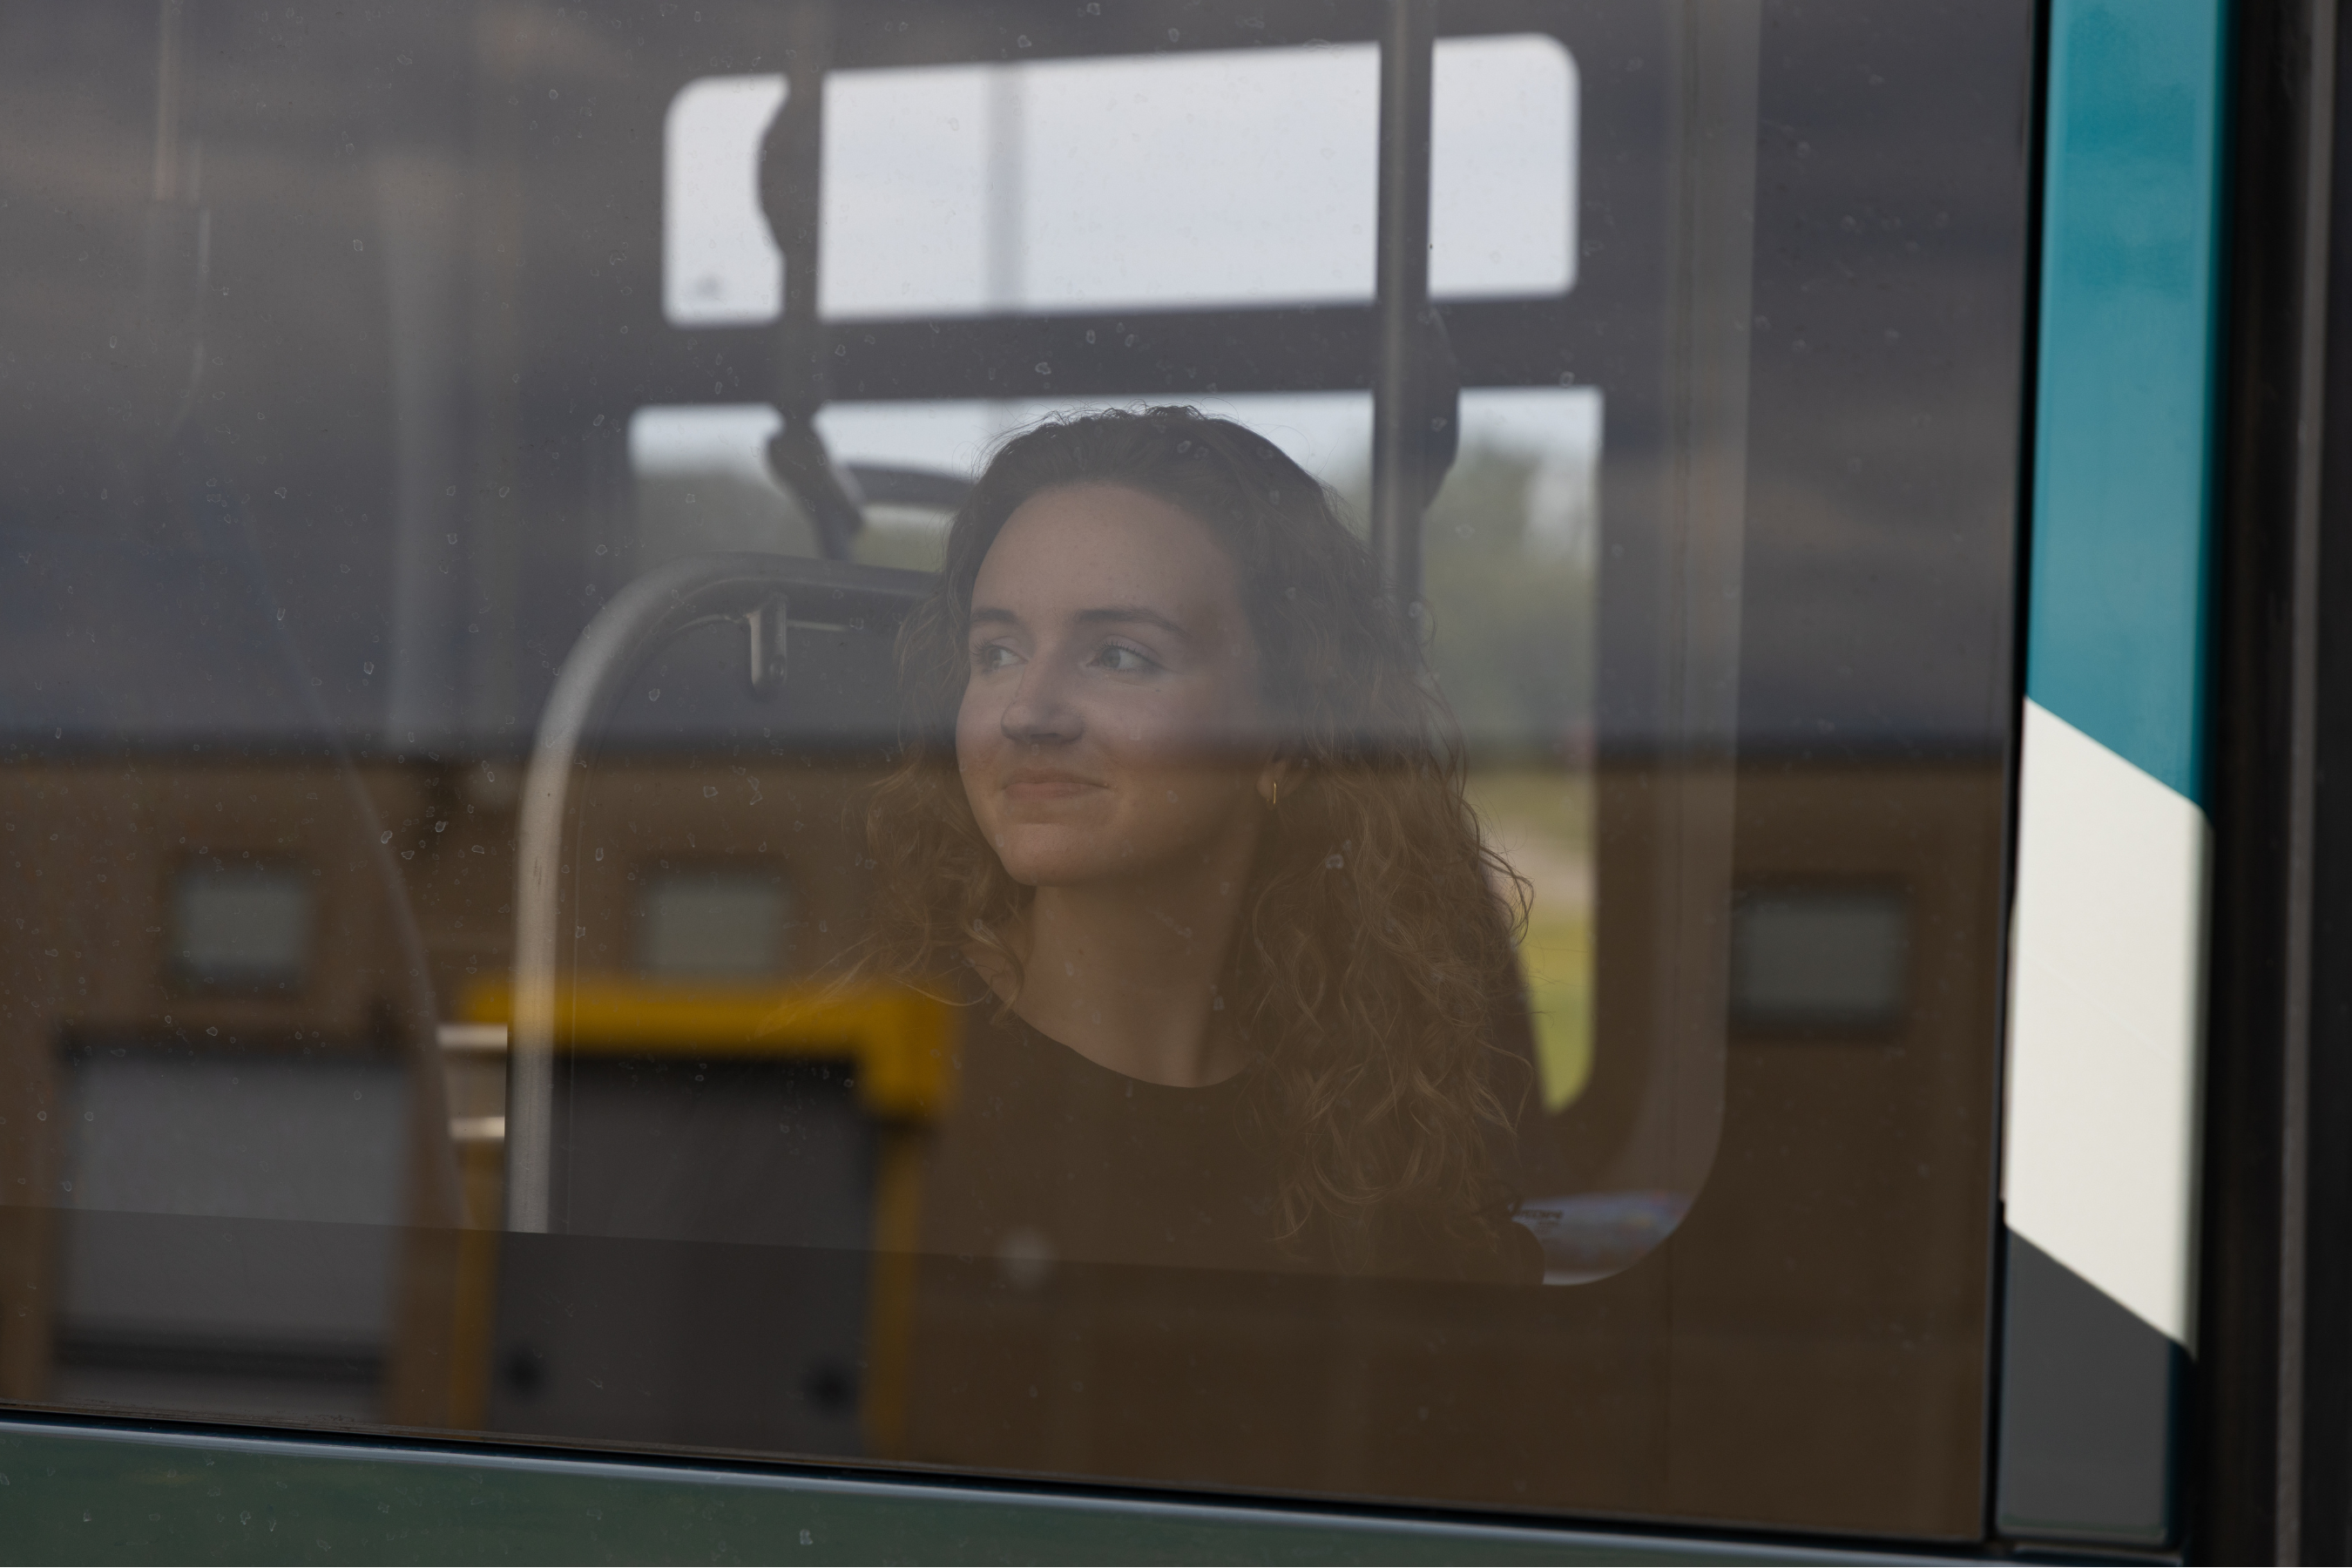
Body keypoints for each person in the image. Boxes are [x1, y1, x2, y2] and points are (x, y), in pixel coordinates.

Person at [857, 406, 1541, 1285]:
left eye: (1121, 657)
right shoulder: (868, 1095)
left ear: (1289, 737)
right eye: (997, 653)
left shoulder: (1371, 1114)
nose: (1029, 710)